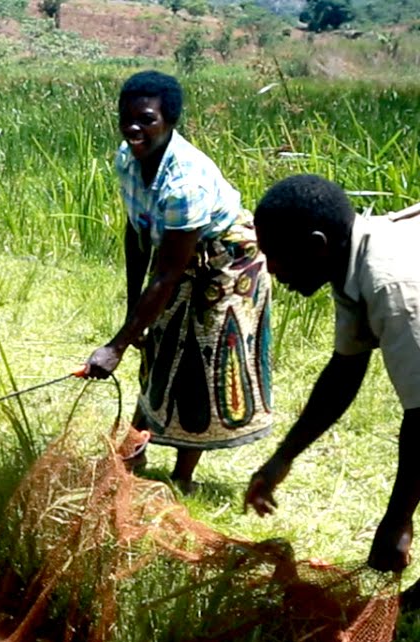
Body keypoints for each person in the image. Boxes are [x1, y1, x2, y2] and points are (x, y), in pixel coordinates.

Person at [83, 70, 274, 491]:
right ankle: (132, 455)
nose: (135, 128)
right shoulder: (126, 158)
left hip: (225, 262)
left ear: (168, 121)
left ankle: (181, 479)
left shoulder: (183, 181)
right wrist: (135, 315)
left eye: (146, 119)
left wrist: (114, 346)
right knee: (157, 350)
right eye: (127, 118)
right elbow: (137, 234)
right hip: (178, 257)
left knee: (200, 362)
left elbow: (168, 272)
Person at [244, 175, 419, 591]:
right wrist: (282, 457)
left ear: (316, 245)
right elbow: (344, 373)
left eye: (276, 255)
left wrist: (397, 521)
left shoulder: (391, 286)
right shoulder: (346, 261)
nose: (271, 269)